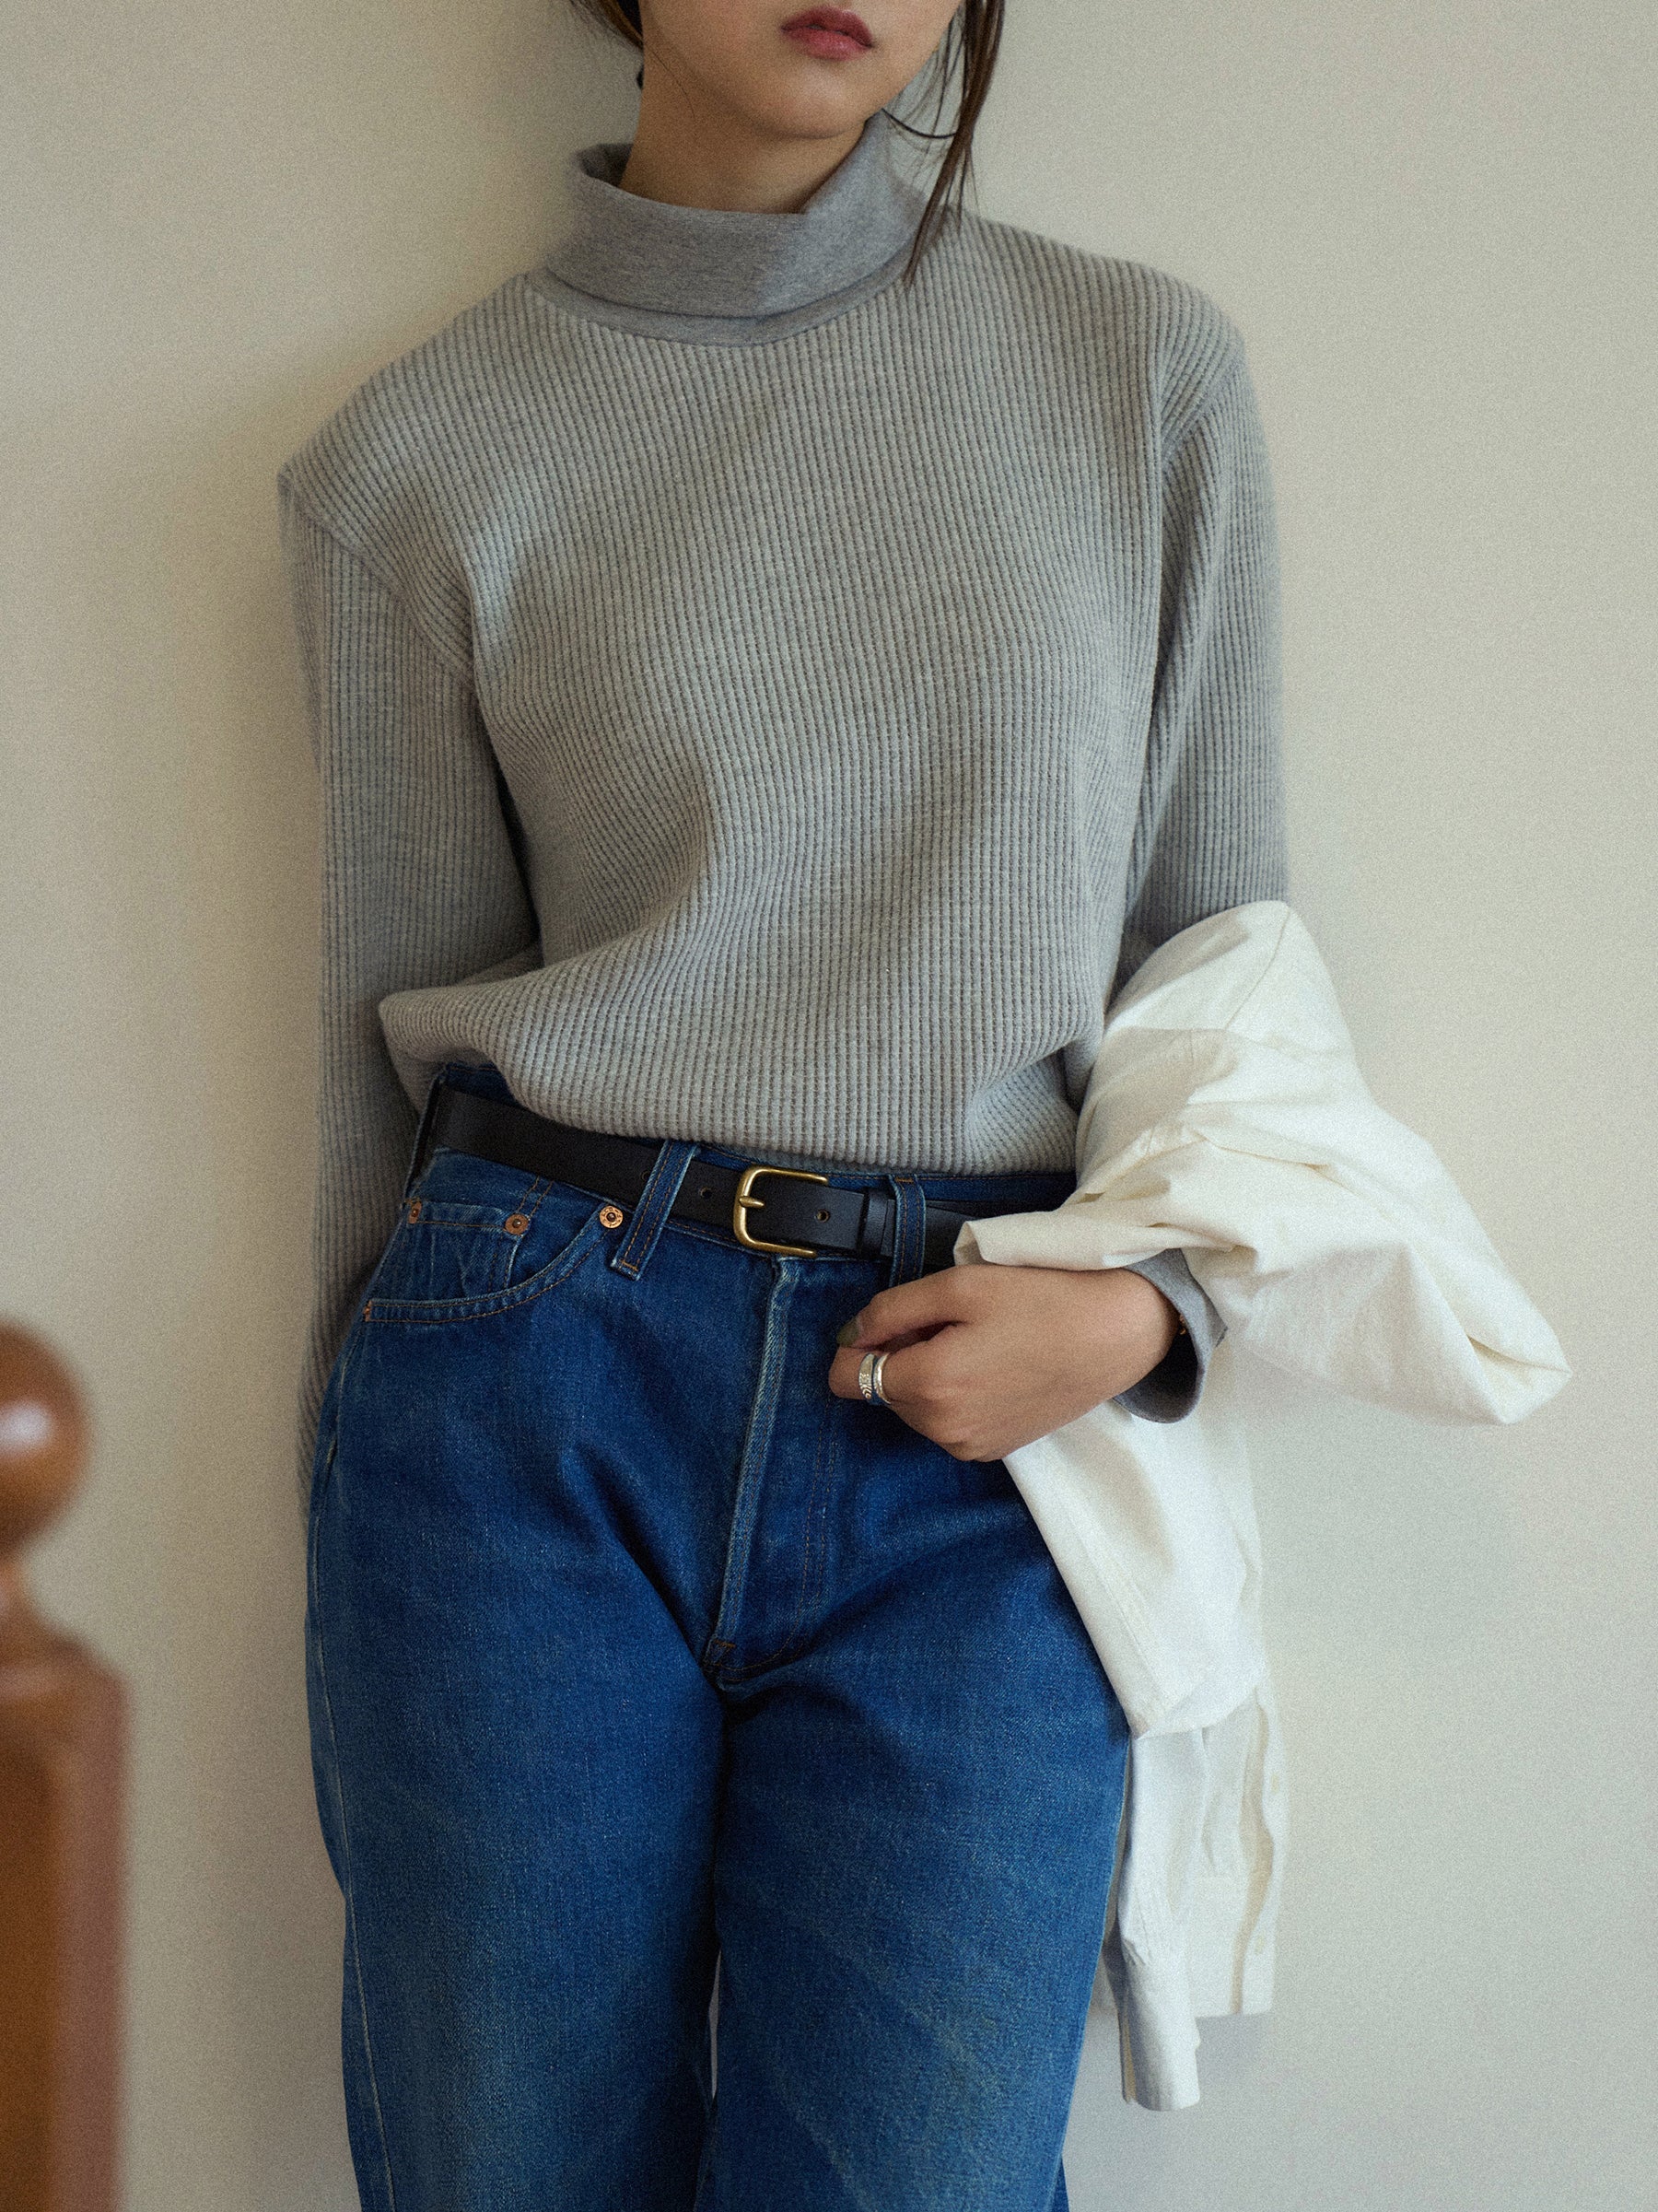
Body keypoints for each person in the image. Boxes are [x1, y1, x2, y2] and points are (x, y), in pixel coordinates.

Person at [276, 1, 1288, 2204]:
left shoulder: (1139, 379)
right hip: (522, 1391)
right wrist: (341, 1526)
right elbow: (381, 1052)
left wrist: (1157, 1312)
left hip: (984, 1417)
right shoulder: (414, 459)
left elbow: (1229, 994)